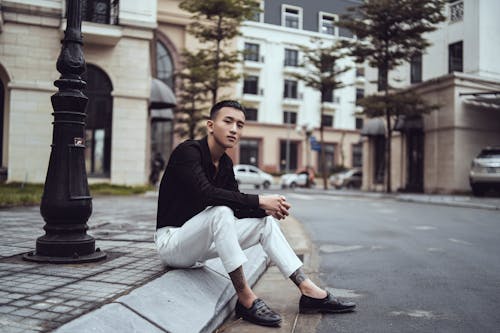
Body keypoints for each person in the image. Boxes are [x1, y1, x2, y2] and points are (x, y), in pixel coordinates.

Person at [155, 100, 355, 327]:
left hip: (199, 245)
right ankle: (245, 297)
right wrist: (260, 201)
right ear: (211, 125)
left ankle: (307, 289)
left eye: (240, 125)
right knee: (220, 211)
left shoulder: (226, 163)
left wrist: (267, 208)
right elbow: (206, 194)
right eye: (228, 121)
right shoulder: (188, 152)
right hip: (172, 242)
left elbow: (237, 208)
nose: (234, 129)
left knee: (264, 223)